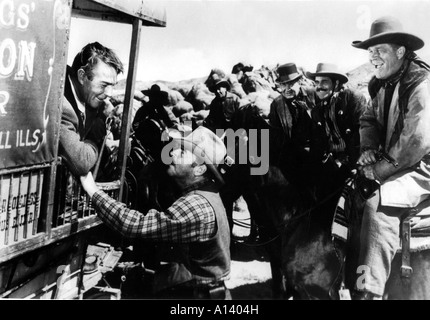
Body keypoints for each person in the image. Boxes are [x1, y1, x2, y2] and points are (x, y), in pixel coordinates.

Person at [79, 126, 231, 299]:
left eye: (182, 153)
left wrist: (93, 191)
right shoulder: (208, 195)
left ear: (199, 170)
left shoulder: (196, 204)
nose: (172, 154)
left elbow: (136, 225)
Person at [351, 16, 430, 300]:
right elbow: (368, 119)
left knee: (378, 204)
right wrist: (368, 148)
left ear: (400, 51)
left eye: (379, 50)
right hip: (399, 161)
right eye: (370, 52)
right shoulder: (382, 83)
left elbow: (416, 142)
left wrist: (378, 171)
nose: (373, 58)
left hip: (423, 167)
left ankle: (368, 291)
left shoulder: (421, 83)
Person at [59, 41, 124, 176]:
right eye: (104, 85)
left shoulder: (87, 98)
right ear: (82, 76)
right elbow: (82, 162)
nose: (109, 93)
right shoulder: (62, 105)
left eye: (112, 85)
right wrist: (98, 126)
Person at [307, 63, 368, 196]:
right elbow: (317, 143)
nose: (319, 86)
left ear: (336, 83)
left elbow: (362, 134)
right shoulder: (317, 110)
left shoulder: (352, 98)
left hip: (355, 162)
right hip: (333, 163)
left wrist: (354, 164)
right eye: (316, 82)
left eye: (324, 82)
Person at [268, 62, 324, 198]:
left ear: (299, 81)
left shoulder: (313, 94)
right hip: (293, 154)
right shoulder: (276, 104)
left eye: (291, 84)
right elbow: (274, 134)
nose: (287, 88)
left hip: (319, 151)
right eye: (283, 85)